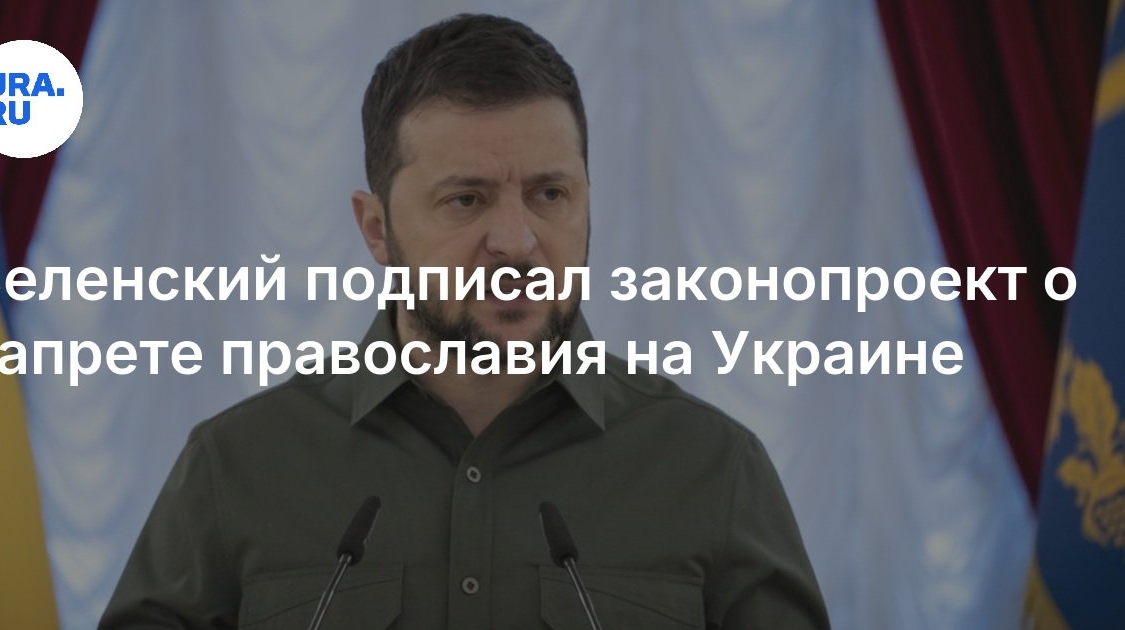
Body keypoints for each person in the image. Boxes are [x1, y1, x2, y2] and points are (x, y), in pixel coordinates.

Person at [100, 13, 829, 629]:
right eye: (466, 200)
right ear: (377, 229)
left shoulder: (714, 469)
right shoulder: (236, 468)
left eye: (549, 195)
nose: (515, 241)